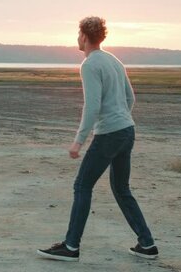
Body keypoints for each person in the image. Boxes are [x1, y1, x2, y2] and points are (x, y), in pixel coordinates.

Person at [37, 16, 157, 262]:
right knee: (122, 189)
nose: (77, 39)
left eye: (78, 34)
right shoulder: (113, 60)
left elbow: (92, 106)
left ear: (84, 36)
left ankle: (71, 247)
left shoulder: (90, 64)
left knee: (82, 185)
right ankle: (147, 245)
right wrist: (121, 118)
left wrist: (78, 141)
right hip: (127, 131)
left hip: (111, 134)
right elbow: (130, 97)